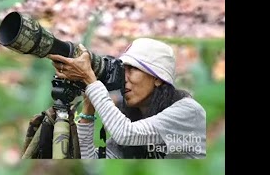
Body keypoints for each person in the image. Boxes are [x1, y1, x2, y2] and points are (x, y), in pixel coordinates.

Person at [49, 37, 207, 159]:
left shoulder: (188, 112)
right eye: (123, 70)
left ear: (158, 78)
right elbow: (91, 161)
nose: (124, 78)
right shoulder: (134, 117)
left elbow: (126, 133)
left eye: (132, 69)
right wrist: (88, 108)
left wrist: (91, 80)